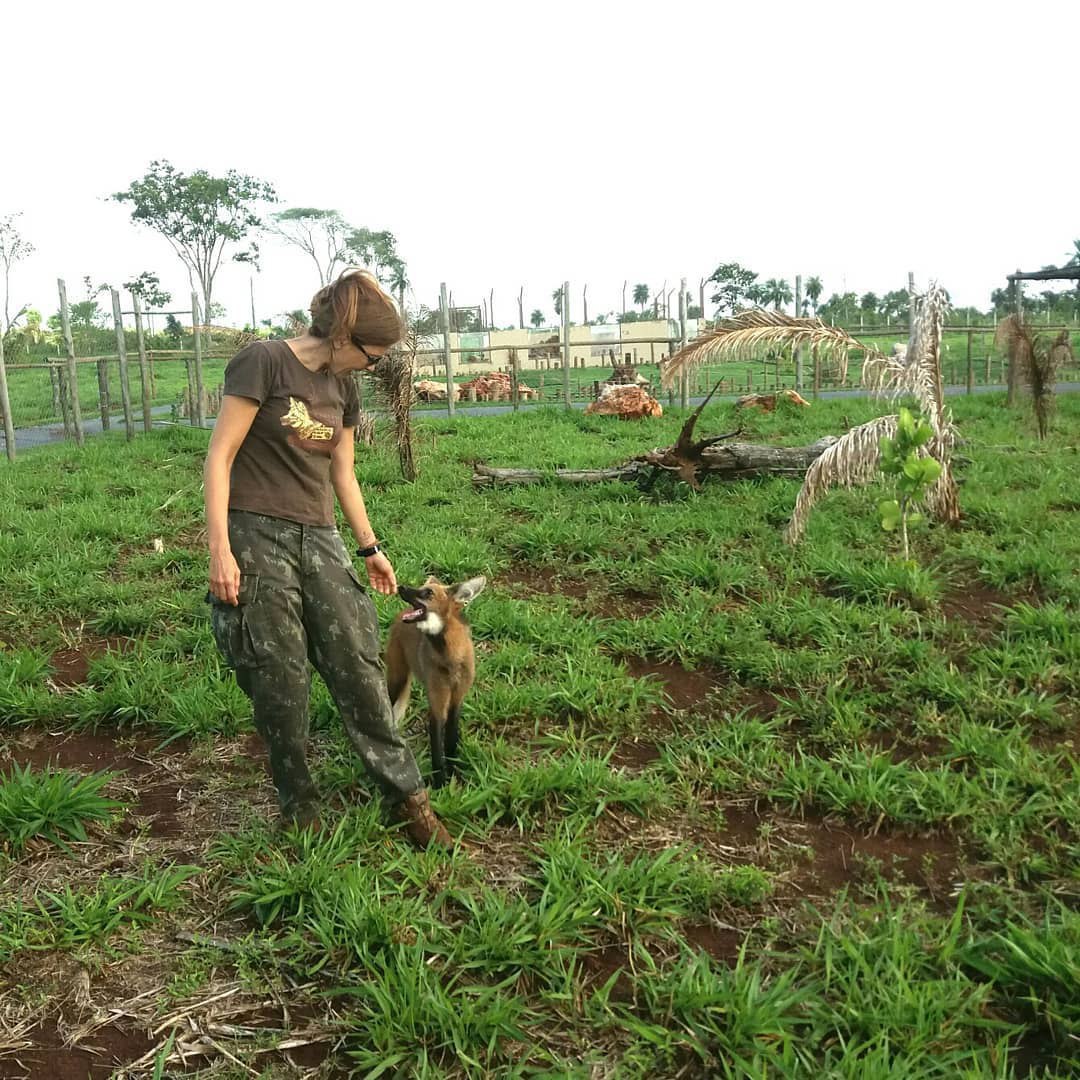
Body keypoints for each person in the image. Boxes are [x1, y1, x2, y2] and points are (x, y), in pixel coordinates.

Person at [203, 269, 453, 847]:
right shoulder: (262, 362)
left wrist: (370, 548)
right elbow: (220, 457)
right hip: (254, 532)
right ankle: (299, 803)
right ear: (344, 337)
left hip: (319, 536)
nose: (375, 364)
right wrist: (220, 549)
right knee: (279, 677)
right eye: (373, 353)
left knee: (359, 664)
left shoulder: (344, 387)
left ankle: (406, 796)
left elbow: (343, 471)